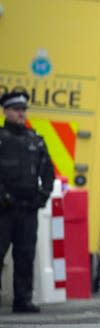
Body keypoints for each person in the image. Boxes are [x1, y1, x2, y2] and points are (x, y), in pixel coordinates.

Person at [0, 90, 54, 313]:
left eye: (23, 110)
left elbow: (48, 173)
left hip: (28, 210)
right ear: (5, 111)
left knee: (25, 255)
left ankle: (22, 300)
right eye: (16, 109)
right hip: (3, 210)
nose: (21, 113)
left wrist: (41, 197)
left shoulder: (35, 140)